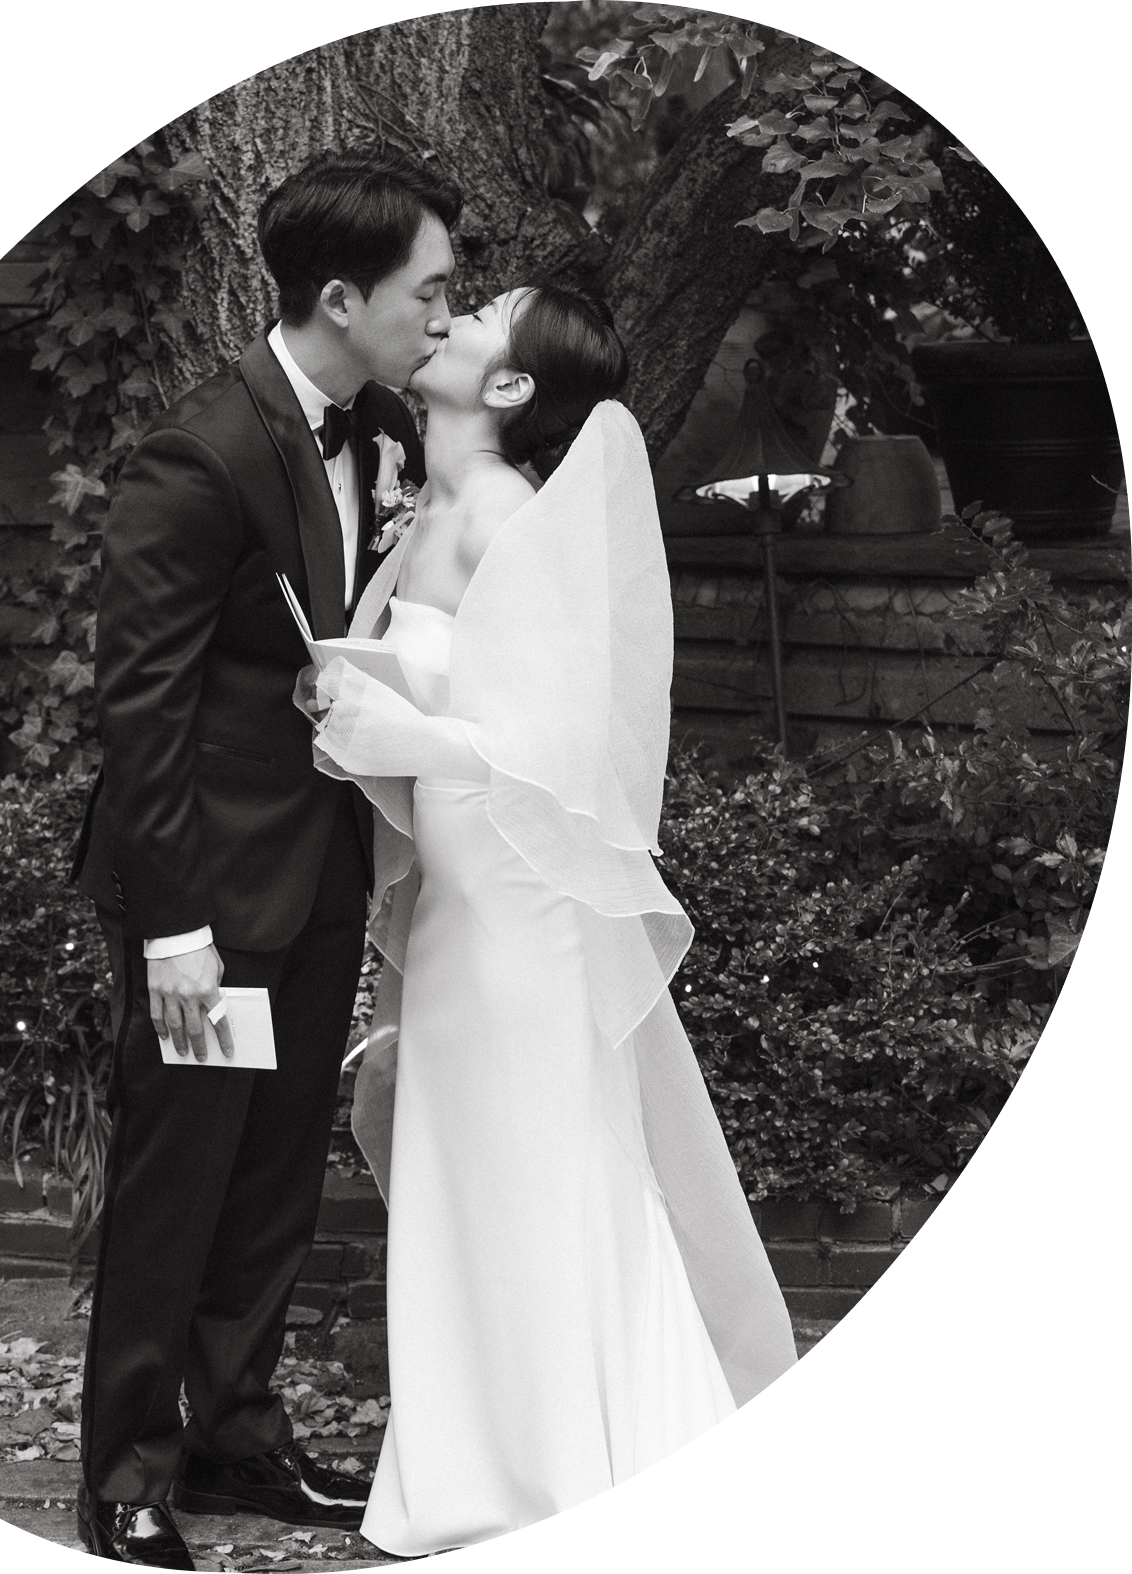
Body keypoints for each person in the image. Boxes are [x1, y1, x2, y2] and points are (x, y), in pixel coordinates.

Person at [301, 283, 800, 1554]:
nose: (454, 316)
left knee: (533, 1151)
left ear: (511, 385)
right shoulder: (433, 503)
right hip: (459, 891)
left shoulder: (516, 517)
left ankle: (577, 1463)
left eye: (480, 317)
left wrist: (400, 733)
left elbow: (559, 749)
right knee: (463, 1157)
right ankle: (473, 1455)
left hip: (519, 899)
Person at [68, 147, 460, 1570]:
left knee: (278, 1164)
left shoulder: (371, 430)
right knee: (182, 1178)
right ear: (341, 296)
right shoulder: (203, 448)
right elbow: (142, 709)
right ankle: (122, 1475)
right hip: (208, 909)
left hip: (315, 880)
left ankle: (238, 1431)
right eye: (428, 290)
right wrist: (171, 928)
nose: (441, 314)